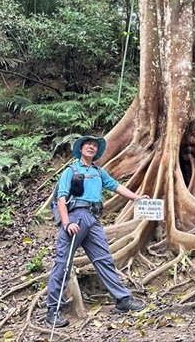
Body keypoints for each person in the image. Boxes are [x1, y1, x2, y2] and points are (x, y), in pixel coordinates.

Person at [46, 135, 146, 327]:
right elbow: (61, 198)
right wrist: (67, 223)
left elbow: (117, 187)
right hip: (76, 217)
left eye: (94, 146)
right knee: (63, 263)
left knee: (104, 259)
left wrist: (137, 198)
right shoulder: (71, 170)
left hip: (93, 219)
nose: (91, 147)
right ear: (81, 149)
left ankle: (123, 300)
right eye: (88, 145)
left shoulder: (99, 172)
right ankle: (53, 310)